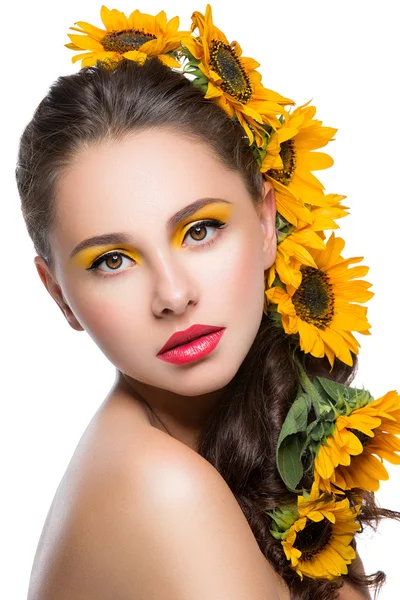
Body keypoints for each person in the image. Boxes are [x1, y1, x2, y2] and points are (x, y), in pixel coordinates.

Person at [16, 4, 400, 599]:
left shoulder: (246, 436)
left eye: (199, 231)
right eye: (112, 260)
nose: (173, 295)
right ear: (59, 295)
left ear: (268, 220)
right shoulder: (162, 487)